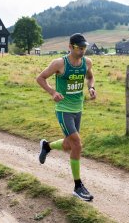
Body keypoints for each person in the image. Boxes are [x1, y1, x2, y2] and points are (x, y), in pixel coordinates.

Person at [36, 33, 96, 201]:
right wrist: (52, 92)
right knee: (77, 144)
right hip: (63, 109)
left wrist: (91, 88)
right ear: (70, 47)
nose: (83, 50)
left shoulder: (87, 62)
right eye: (79, 48)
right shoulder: (59, 63)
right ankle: (78, 186)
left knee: (69, 144)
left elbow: (90, 77)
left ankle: (46, 146)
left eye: (84, 47)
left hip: (78, 109)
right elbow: (40, 78)